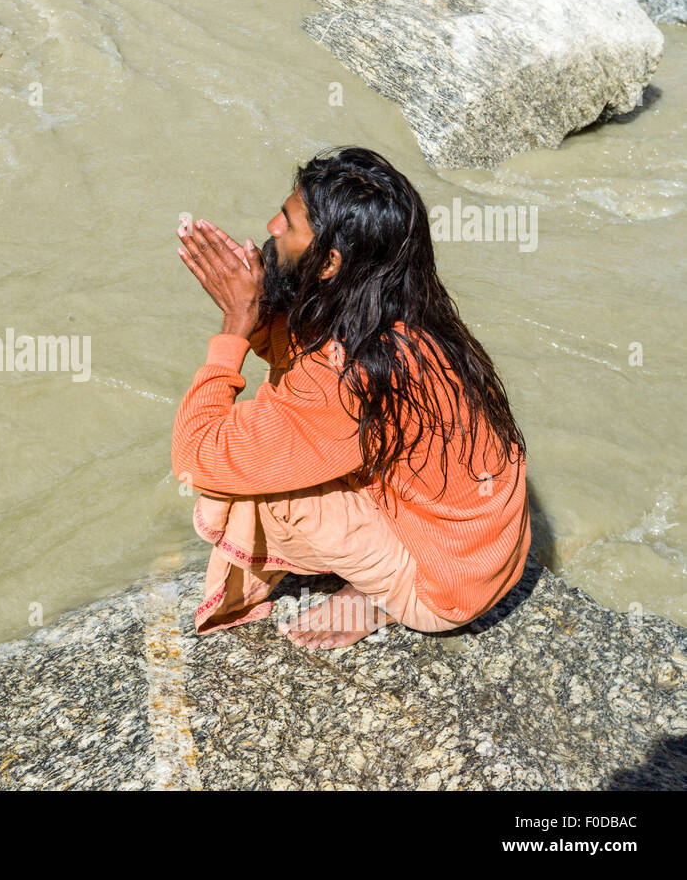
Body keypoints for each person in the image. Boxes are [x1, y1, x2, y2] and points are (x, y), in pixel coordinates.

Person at [172, 146, 530, 650]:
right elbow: (298, 356)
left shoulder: (345, 378)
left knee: (239, 488)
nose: (273, 225)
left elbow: (197, 457)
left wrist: (233, 328)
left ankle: (380, 596)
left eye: (290, 224)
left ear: (330, 264)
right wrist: (257, 306)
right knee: (273, 442)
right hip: (490, 549)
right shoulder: (403, 310)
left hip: (447, 590)